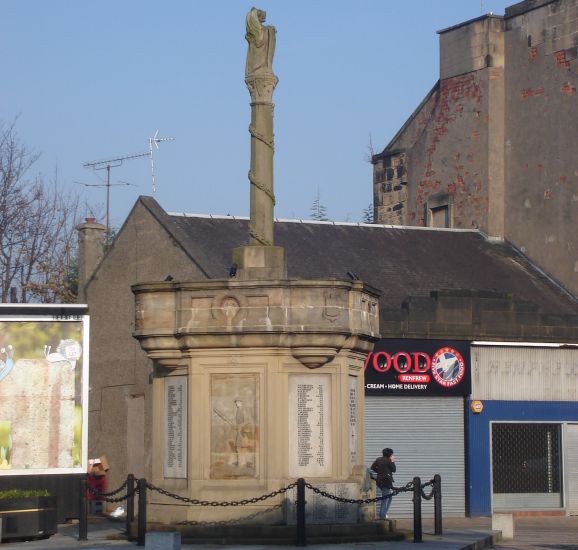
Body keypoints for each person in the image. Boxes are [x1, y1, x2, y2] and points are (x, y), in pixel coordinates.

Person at [371, 447, 396, 520]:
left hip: (379, 481)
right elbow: (394, 469)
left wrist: (379, 472)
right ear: (390, 454)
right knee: (385, 498)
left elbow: (372, 467)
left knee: (389, 497)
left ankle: (383, 513)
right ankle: (382, 515)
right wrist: (393, 461)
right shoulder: (389, 460)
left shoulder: (378, 459)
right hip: (386, 481)